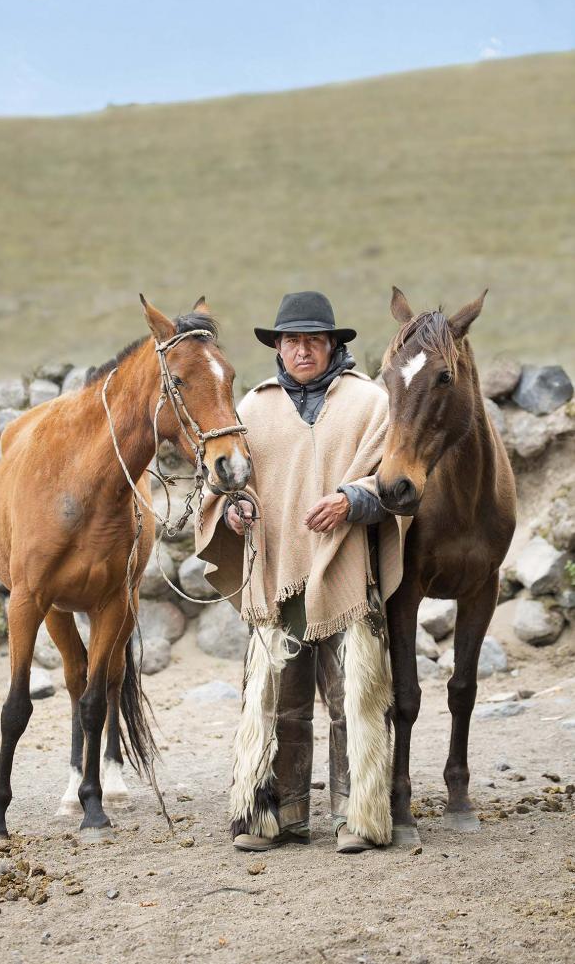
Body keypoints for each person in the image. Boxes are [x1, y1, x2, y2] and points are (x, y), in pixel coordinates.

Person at [195, 291, 409, 854]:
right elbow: (222, 482)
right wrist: (234, 508)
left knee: (354, 698)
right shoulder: (252, 408)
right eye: (292, 341)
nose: (303, 350)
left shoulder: (370, 402)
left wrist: (349, 500)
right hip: (277, 571)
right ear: (278, 348)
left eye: (314, 340)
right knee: (276, 700)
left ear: (335, 344)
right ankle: (272, 817)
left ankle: (358, 818)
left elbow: (395, 482)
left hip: (345, 570)